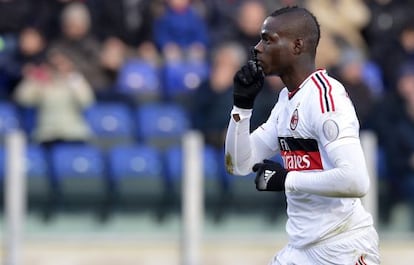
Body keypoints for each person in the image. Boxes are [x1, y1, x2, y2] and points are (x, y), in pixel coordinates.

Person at [224, 6, 380, 264]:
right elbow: (237, 164)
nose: (257, 48)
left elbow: (357, 181)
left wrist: (287, 179)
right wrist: (241, 106)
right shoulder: (286, 100)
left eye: (268, 39)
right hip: (301, 249)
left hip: (342, 247)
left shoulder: (325, 99)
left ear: (297, 46)